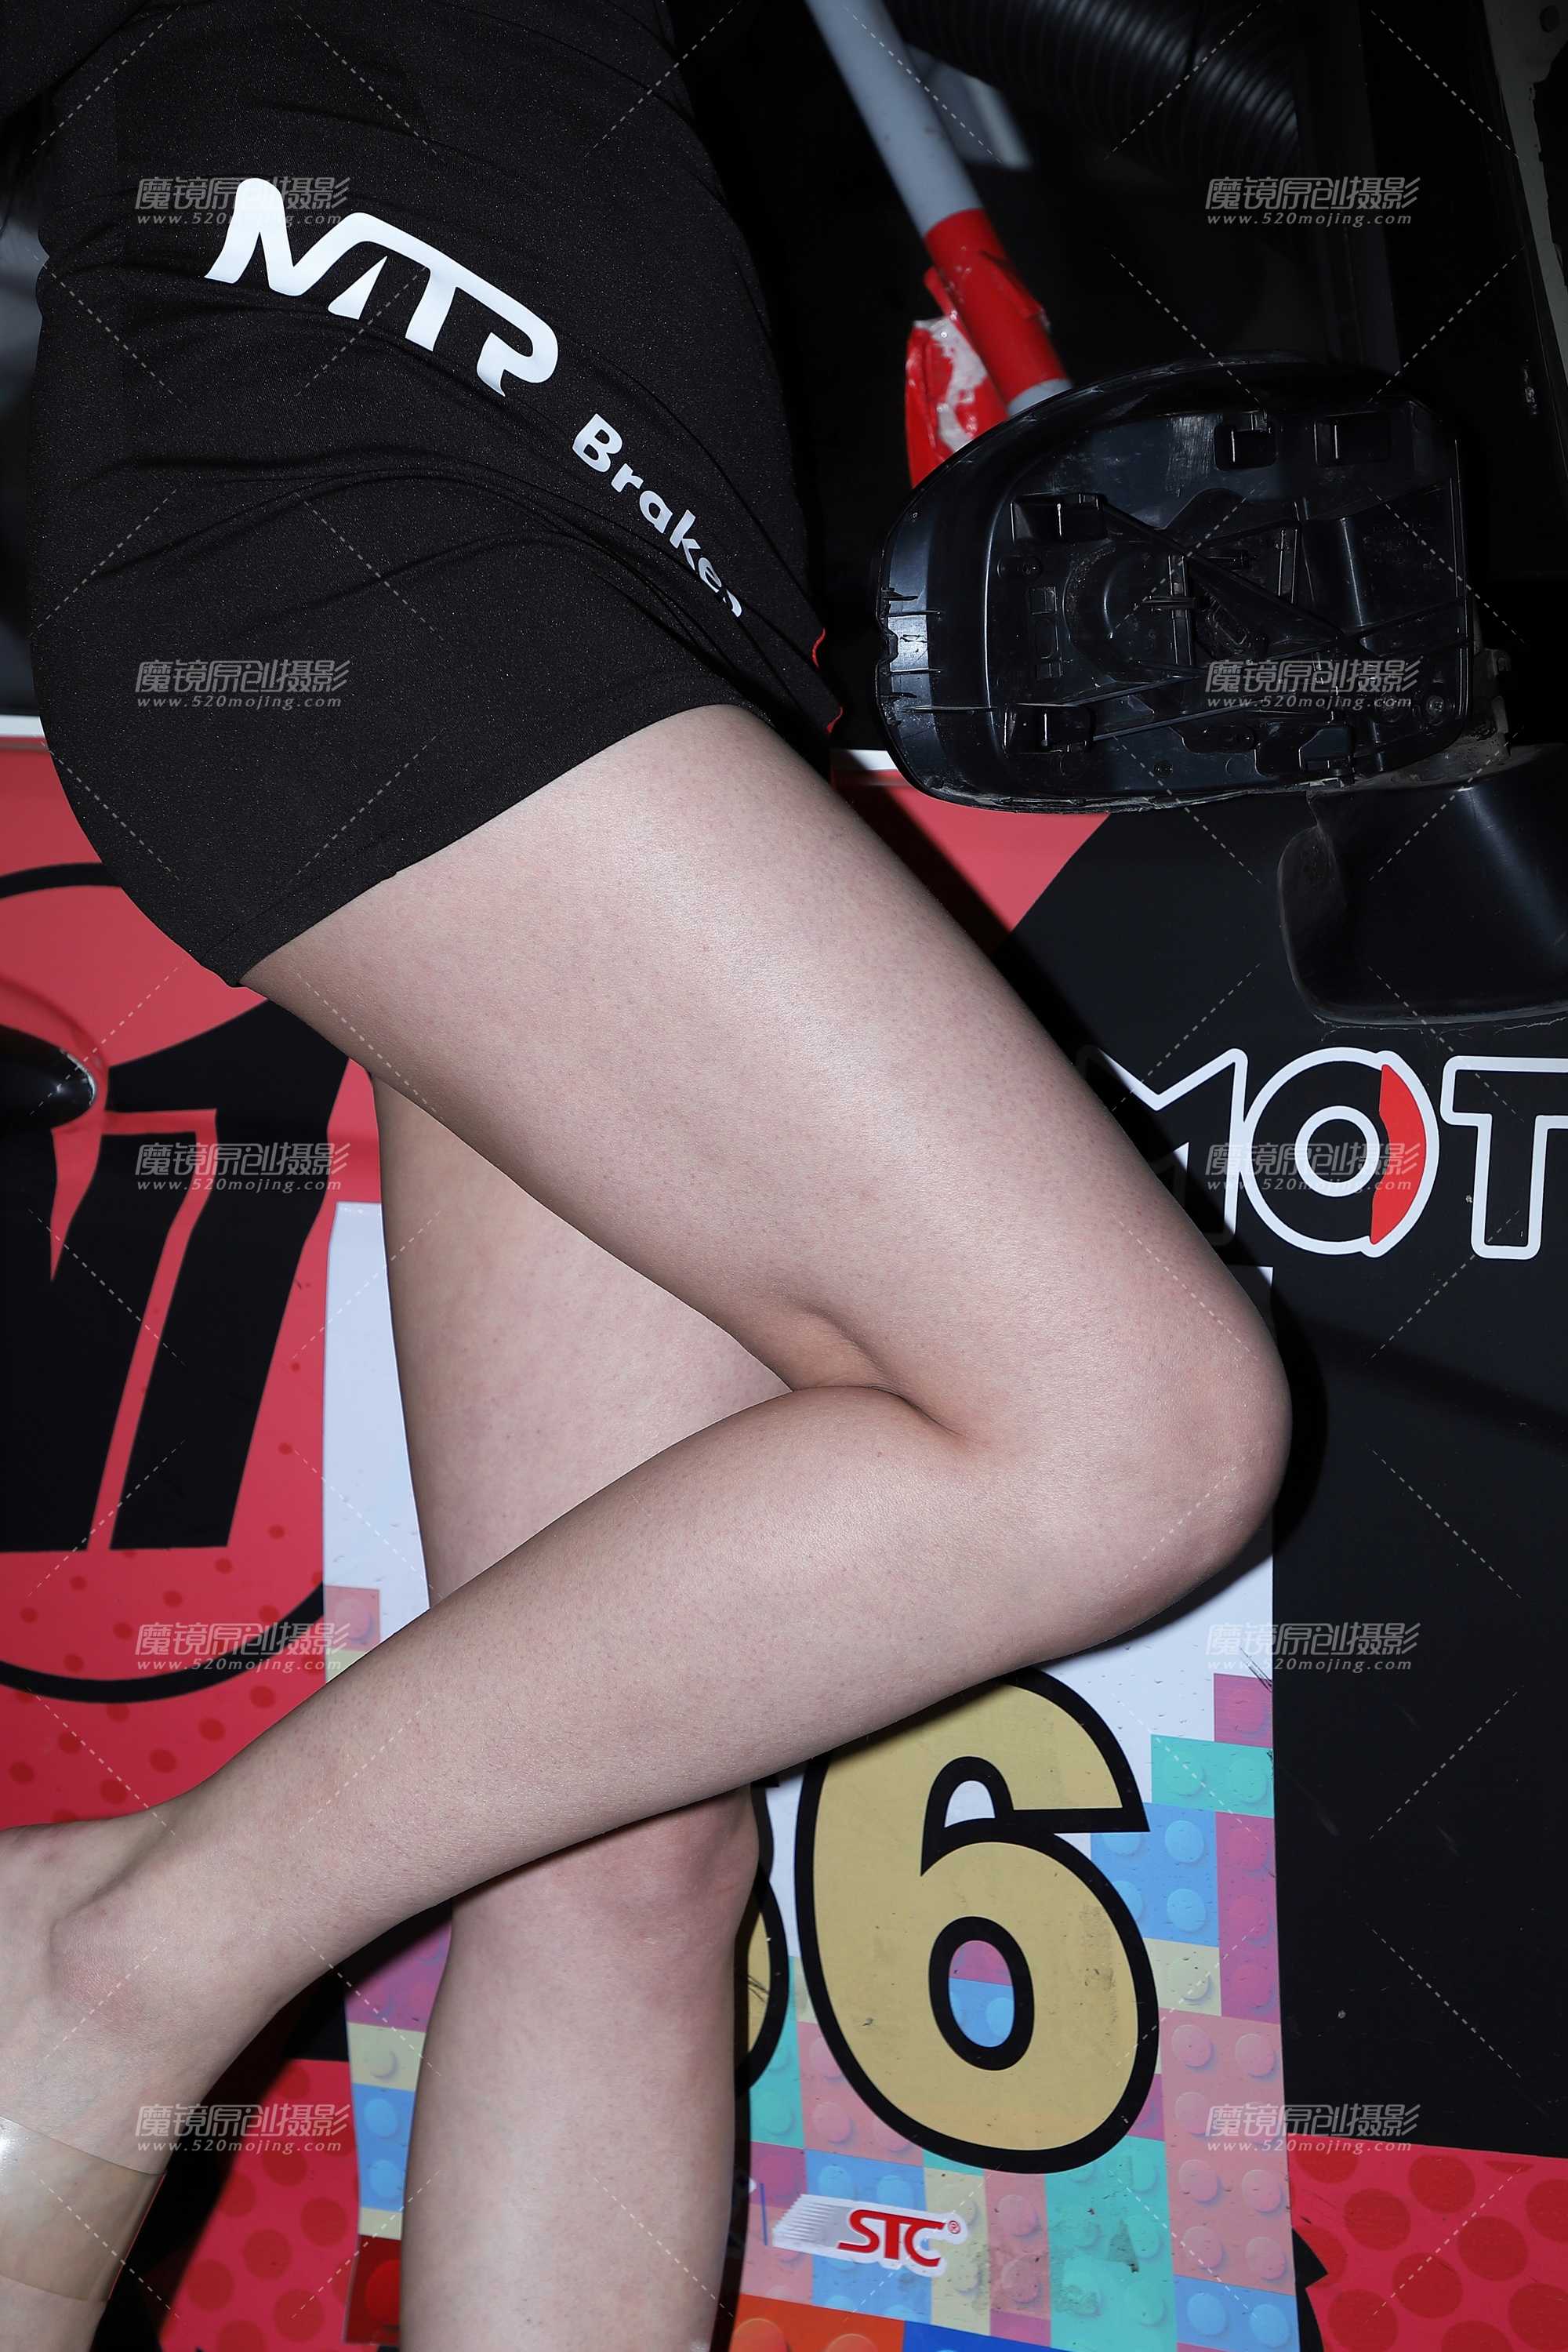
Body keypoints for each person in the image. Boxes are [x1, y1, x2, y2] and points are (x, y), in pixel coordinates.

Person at [0, 2, 1292, 2345]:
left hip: (632, 558)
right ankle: (113, 1959)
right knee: (1134, 1429)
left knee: (619, 1871)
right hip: (343, 438)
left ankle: (120, 1957)